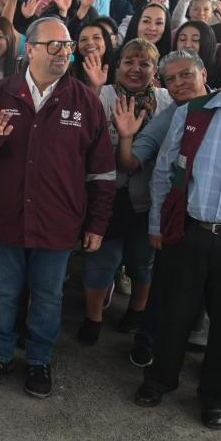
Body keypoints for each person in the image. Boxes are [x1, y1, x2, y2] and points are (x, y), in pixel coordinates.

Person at [0, 16, 115, 398]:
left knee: (48, 297)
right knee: (4, 293)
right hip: (7, 219)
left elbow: (103, 173)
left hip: (58, 224)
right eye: (54, 45)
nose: (64, 52)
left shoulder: (85, 101)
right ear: (30, 50)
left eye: (68, 46)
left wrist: (96, 224)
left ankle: (39, 361)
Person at [135, 32, 221, 430]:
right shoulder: (193, 112)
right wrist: (158, 224)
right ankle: (159, 380)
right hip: (189, 234)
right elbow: (164, 172)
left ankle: (215, 396)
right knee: (174, 316)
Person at [112, 49, 208, 367]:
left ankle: (203, 341)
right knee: (165, 281)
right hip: (179, 217)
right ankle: (148, 340)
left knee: (214, 288)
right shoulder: (171, 117)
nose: (179, 83)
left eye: (186, 75)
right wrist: (126, 137)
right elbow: (144, 167)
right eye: (171, 79)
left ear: (204, 74)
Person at [79, 39, 172, 345]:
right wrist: (93, 89)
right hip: (105, 194)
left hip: (148, 199)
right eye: (129, 62)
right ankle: (93, 317)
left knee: (142, 260)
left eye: (144, 64)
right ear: (117, 66)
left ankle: (136, 309)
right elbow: (83, 136)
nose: (136, 69)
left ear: (154, 70)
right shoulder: (101, 93)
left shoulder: (166, 100)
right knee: (101, 259)